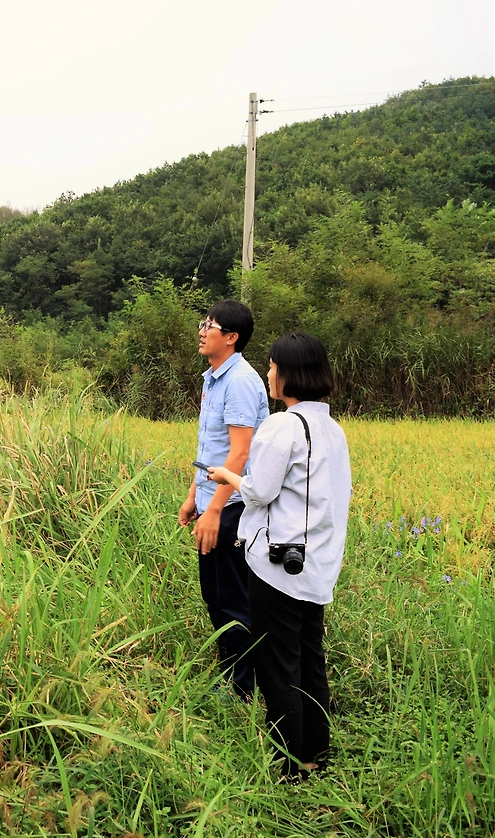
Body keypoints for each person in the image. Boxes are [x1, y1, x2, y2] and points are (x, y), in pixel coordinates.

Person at [207, 332, 351, 778]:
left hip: (277, 566)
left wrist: (227, 475)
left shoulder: (282, 426)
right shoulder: (333, 430)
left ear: (288, 374)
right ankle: (316, 753)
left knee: (278, 664)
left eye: (271, 366)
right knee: (310, 658)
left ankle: (289, 763)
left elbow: (259, 491)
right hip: (316, 565)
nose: (268, 374)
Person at [178, 300, 270, 699]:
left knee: (233, 598)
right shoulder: (214, 378)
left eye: (209, 325)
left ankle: (243, 686)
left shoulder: (241, 382)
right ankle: (231, 673)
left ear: (231, 337)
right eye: (203, 323)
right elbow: (209, 448)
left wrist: (214, 510)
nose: (202, 331)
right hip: (211, 502)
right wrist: (193, 497)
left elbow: (240, 453)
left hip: (232, 508)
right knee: (214, 595)